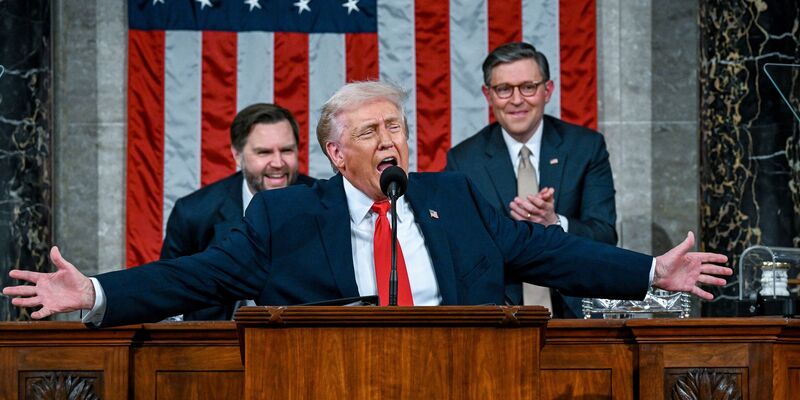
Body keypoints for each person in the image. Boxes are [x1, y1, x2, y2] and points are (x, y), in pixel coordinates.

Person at [2, 81, 731, 328]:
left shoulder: (456, 196)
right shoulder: (287, 217)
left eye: (398, 128)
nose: (391, 141)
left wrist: (647, 273)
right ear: (335, 152)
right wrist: (96, 291)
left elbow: (550, 253)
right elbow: (193, 278)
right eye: (372, 131)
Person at [446, 42, 616, 317]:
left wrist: (554, 223)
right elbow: (458, 249)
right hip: (499, 314)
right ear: (488, 95)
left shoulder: (586, 148)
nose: (516, 100)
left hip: (576, 313)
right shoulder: (463, 160)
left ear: (547, 90)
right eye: (504, 89)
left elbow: (605, 235)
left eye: (528, 87)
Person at [161, 103, 315, 320]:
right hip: (217, 342)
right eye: (264, 152)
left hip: (302, 339)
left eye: (287, 150)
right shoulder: (193, 213)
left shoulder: (324, 203)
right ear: (237, 155)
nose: (278, 163)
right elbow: (169, 291)